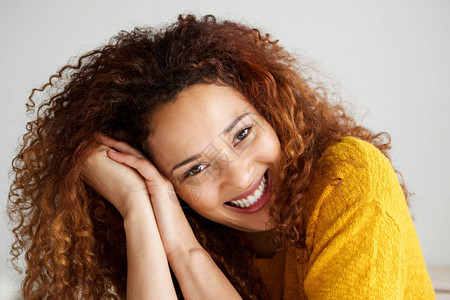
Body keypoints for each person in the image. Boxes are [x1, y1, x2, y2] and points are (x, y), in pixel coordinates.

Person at [7, 14, 435, 299]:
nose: (240, 175)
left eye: (243, 133)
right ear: (168, 185)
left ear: (271, 111)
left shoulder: (349, 179)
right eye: (194, 168)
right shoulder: (201, 231)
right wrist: (141, 209)